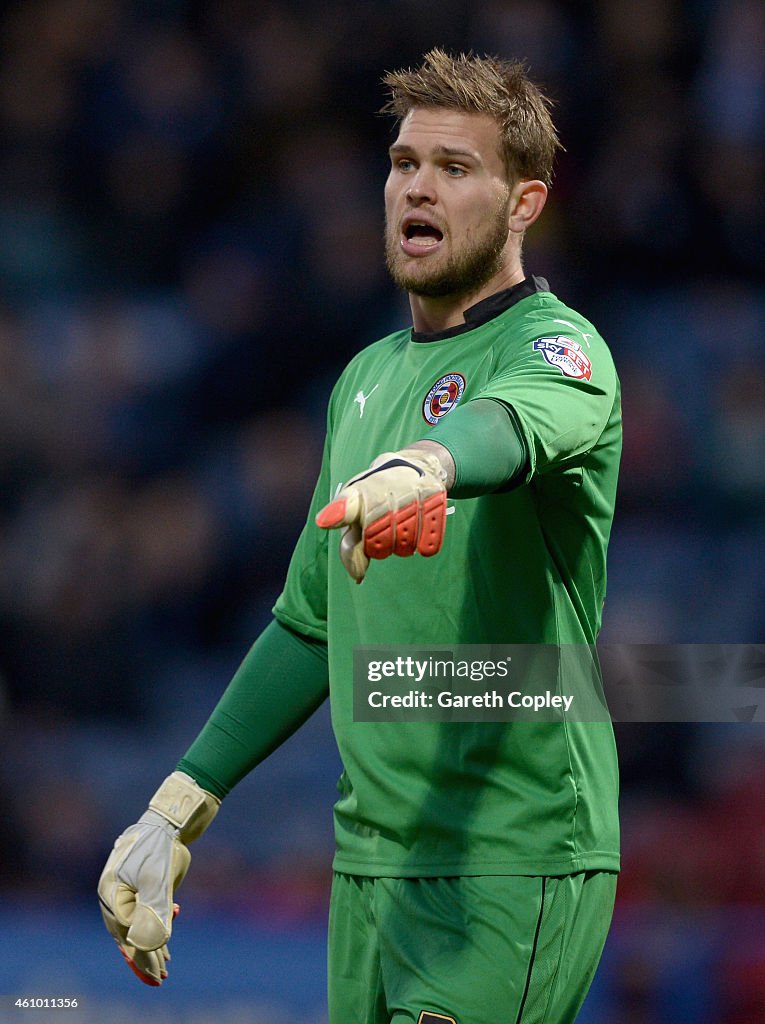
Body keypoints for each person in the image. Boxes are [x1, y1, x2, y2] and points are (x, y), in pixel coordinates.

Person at [98, 48, 622, 1024]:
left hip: (507, 858)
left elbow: (516, 425)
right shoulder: (366, 380)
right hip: (368, 866)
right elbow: (310, 626)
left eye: (455, 167)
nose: (417, 186)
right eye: (403, 162)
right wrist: (179, 804)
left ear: (524, 203)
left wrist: (428, 464)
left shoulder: (558, 347)